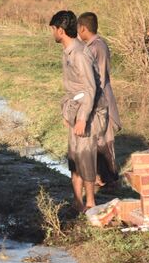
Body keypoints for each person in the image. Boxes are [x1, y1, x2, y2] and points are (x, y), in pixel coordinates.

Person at [51, 11, 109, 212]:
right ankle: (77, 202)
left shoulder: (79, 53)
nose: (52, 33)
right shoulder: (68, 51)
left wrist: (83, 119)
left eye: (53, 29)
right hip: (76, 109)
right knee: (75, 158)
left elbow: (90, 88)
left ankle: (91, 203)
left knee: (85, 157)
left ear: (60, 30)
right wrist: (69, 114)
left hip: (89, 111)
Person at [77, 12, 121, 187]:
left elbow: (93, 79)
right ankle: (103, 178)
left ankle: (109, 180)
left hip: (100, 97)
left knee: (104, 141)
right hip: (102, 94)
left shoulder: (93, 48)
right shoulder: (100, 43)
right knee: (100, 140)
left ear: (83, 28)